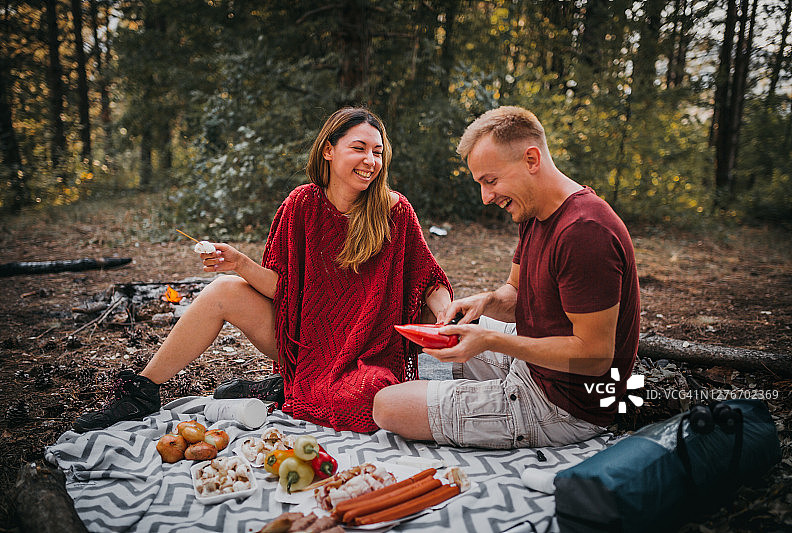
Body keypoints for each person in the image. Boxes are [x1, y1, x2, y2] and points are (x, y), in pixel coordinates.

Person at [73, 107, 451, 434]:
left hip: (366, 350)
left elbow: (428, 278)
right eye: (359, 148)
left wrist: (448, 310)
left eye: (377, 152)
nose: (370, 160)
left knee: (371, 397)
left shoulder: (394, 210)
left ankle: (286, 389)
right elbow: (282, 289)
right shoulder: (301, 204)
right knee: (223, 289)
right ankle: (141, 392)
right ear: (329, 150)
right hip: (306, 341)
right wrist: (238, 263)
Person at [372, 106, 640, 448]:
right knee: (435, 331)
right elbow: (515, 294)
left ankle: (470, 395)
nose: (486, 197)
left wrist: (492, 341)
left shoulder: (585, 232)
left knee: (386, 405)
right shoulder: (534, 210)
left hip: (566, 407)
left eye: (491, 181)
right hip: (535, 365)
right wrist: (485, 302)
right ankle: (461, 390)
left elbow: (595, 357)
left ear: (531, 159)